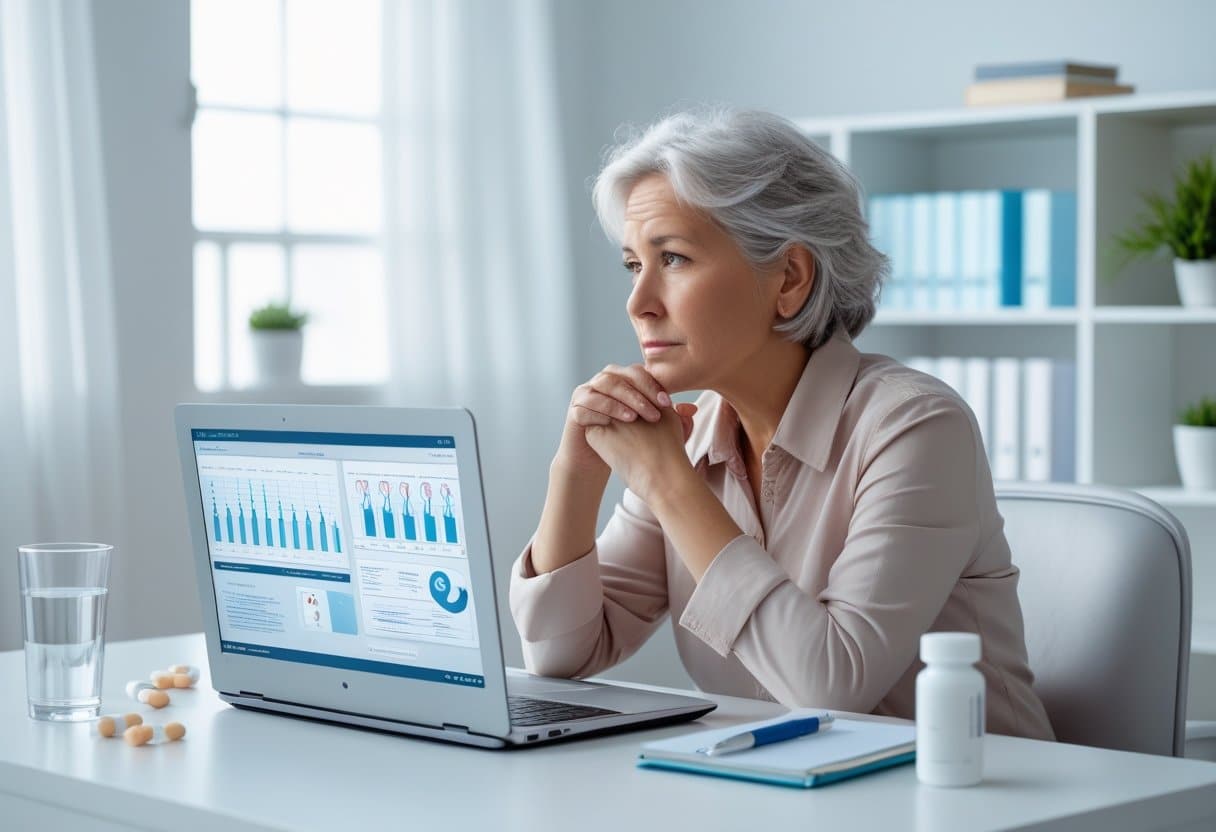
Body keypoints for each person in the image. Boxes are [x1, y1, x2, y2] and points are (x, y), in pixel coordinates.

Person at [508, 107, 1054, 740]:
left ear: (789, 278)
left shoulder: (915, 426)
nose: (639, 303)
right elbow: (560, 656)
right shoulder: (690, 435)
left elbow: (832, 685)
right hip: (784, 793)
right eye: (634, 265)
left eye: (675, 259)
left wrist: (669, 484)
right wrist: (576, 471)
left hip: (971, 798)